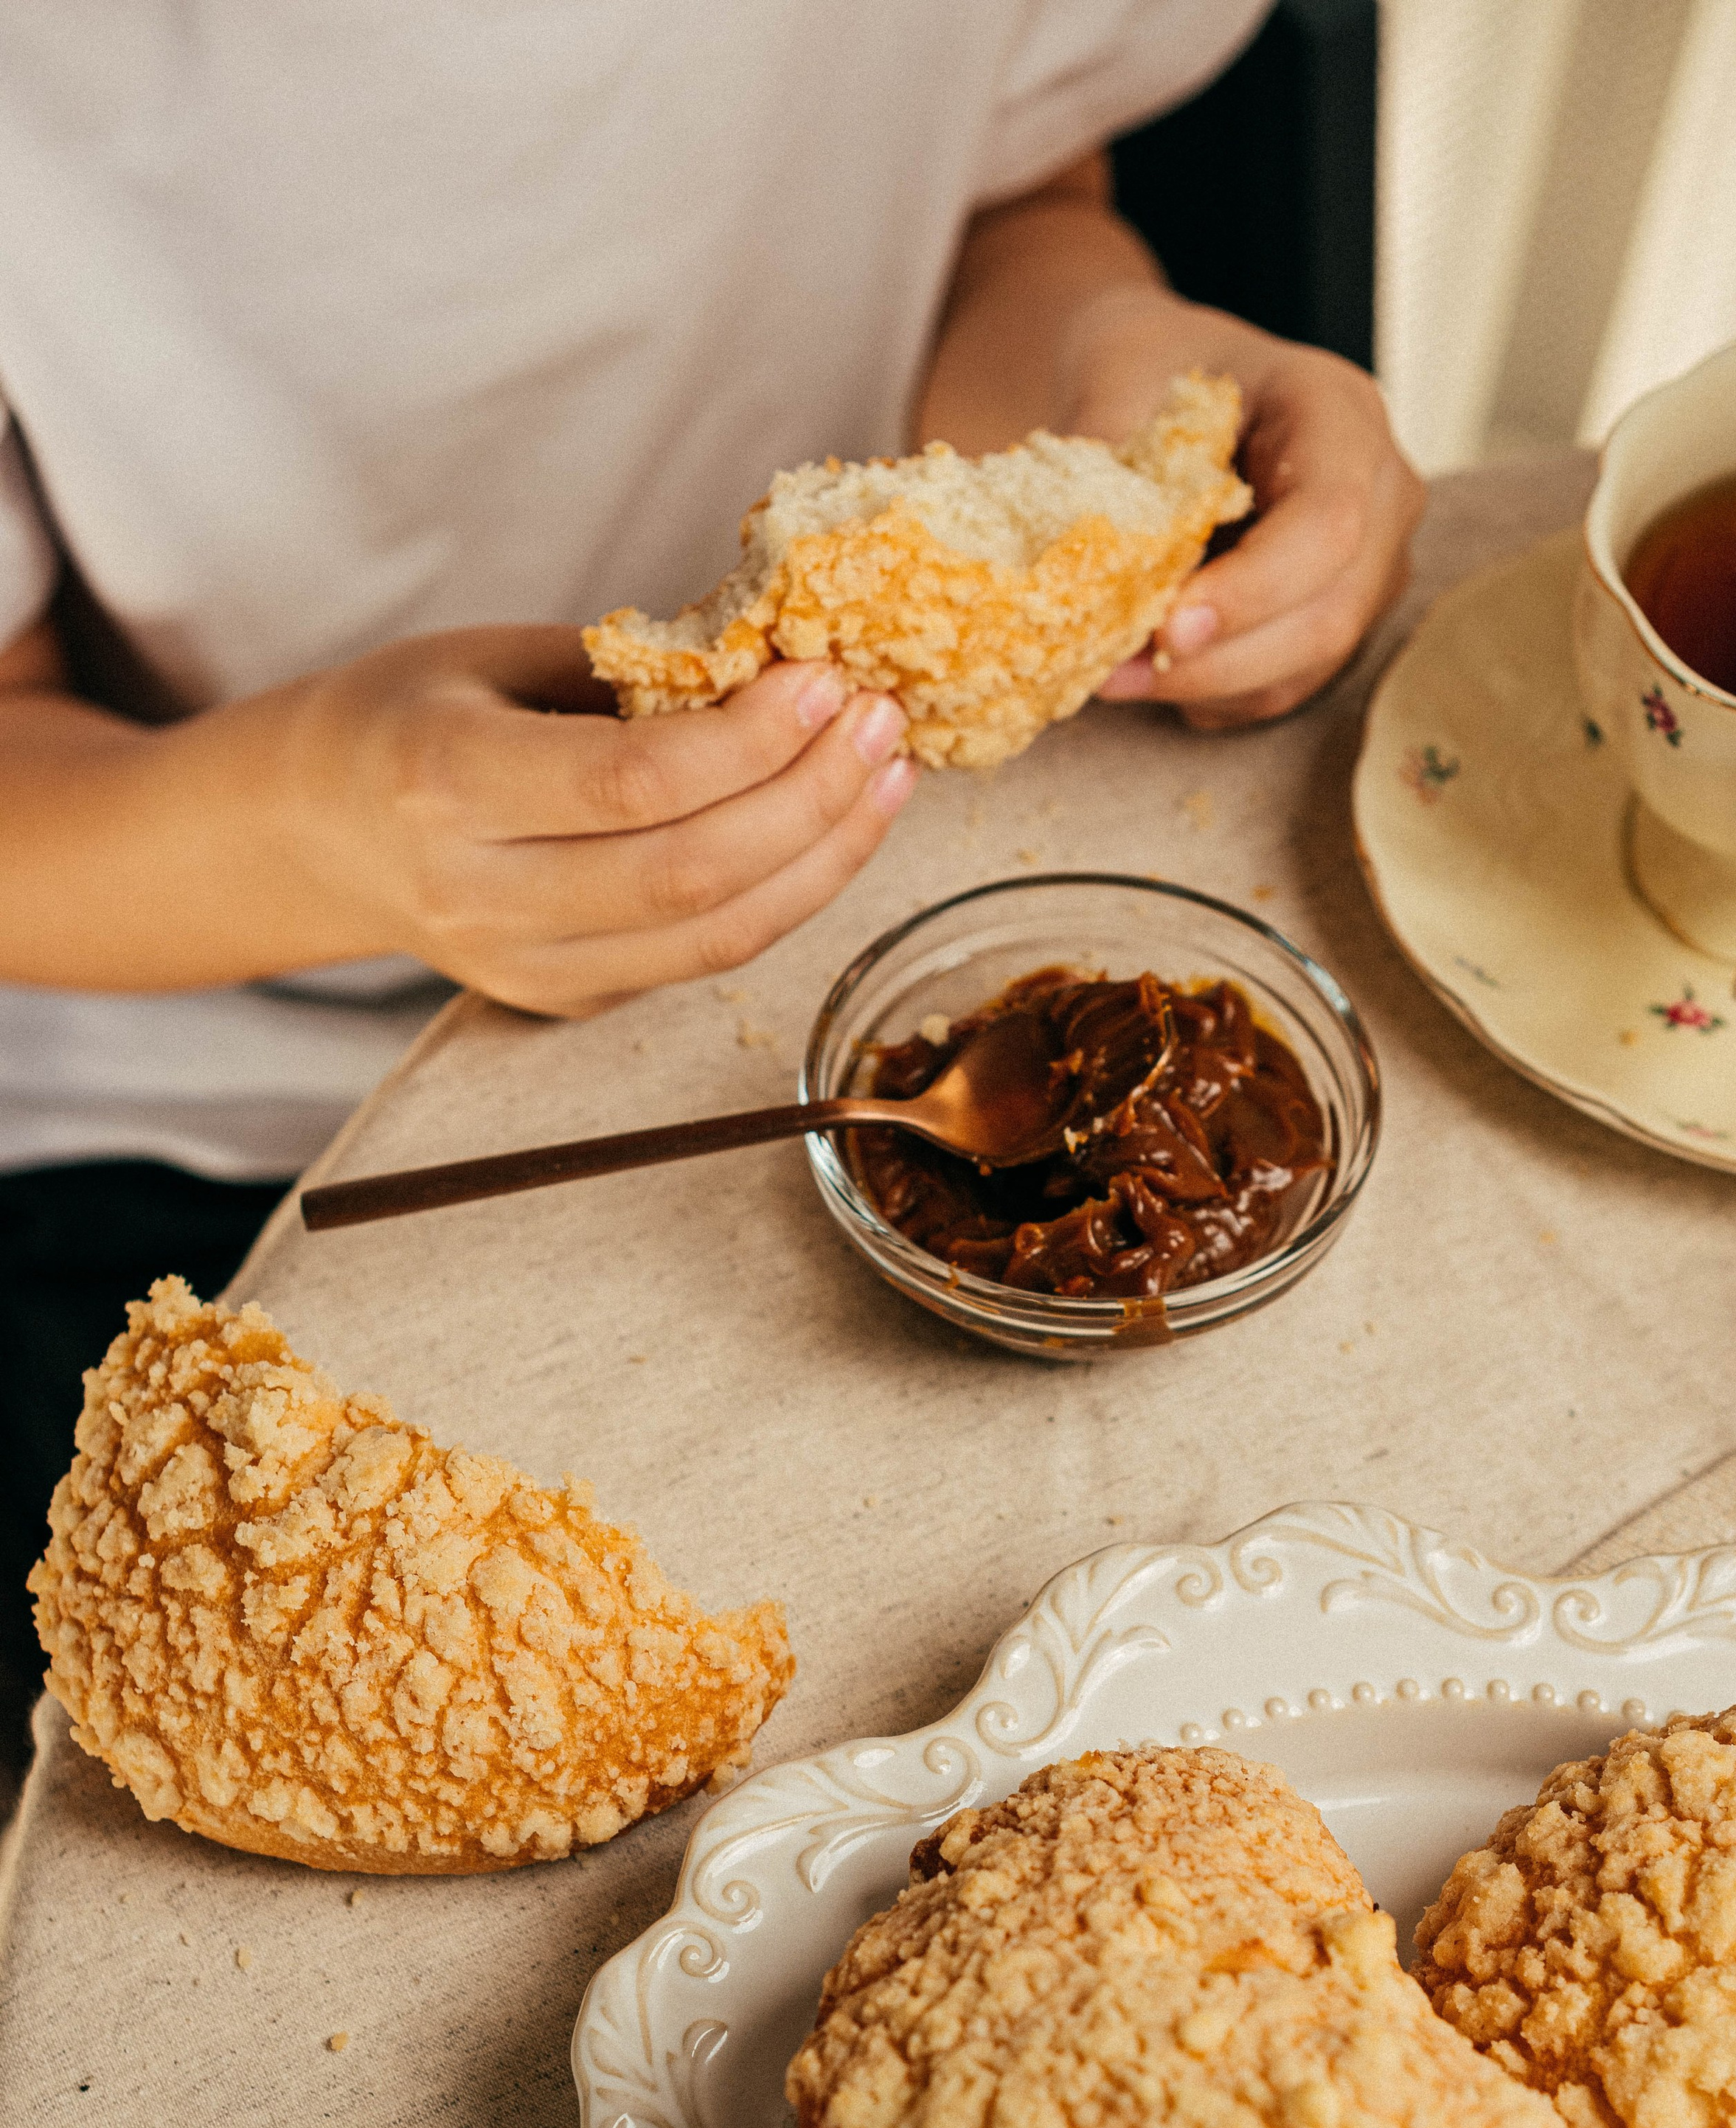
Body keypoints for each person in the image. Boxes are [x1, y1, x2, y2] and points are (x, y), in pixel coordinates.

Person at [0, 3, 1423, 1774]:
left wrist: (1102, 369)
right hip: (177, 1095)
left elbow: (1007, 199)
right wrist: (317, 827)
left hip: (839, 911)